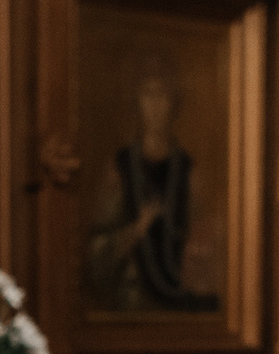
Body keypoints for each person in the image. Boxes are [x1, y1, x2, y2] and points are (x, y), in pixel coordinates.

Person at [85, 49, 216, 311]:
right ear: (137, 102)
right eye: (148, 94)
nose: (155, 105)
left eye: (162, 95)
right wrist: (137, 228)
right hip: (132, 297)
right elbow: (96, 251)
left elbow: (204, 236)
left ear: (173, 102)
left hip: (180, 294)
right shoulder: (120, 167)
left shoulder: (187, 170)